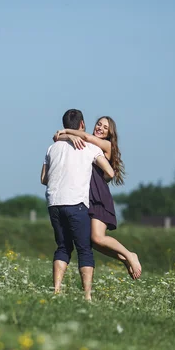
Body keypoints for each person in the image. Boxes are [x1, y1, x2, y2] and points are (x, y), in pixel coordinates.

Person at [54, 116, 142, 280]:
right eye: (99, 124)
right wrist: (70, 136)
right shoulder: (88, 143)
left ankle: (130, 255)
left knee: (97, 237)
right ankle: (124, 258)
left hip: (98, 196)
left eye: (105, 127)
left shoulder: (106, 145)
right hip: (85, 197)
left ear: (110, 134)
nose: (100, 128)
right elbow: (58, 138)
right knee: (92, 242)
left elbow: (84, 137)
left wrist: (66, 131)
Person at [41, 109, 115, 301]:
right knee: (84, 249)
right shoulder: (90, 148)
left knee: (63, 247)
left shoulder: (52, 148)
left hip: (54, 203)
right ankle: (88, 296)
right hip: (76, 203)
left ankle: (56, 290)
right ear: (82, 125)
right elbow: (110, 173)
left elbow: (43, 179)